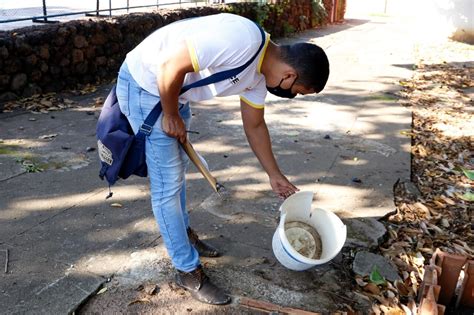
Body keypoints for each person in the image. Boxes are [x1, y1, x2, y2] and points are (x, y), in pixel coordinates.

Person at [115, 13, 329, 305]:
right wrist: (171, 114)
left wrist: (274, 175)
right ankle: (187, 270)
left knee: (175, 177)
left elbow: (254, 125)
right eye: (297, 92)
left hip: (173, 90)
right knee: (167, 186)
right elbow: (170, 64)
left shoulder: (259, 76)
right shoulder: (242, 39)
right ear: (289, 76)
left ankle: (183, 236)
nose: (291, 95)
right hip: (147, 84)